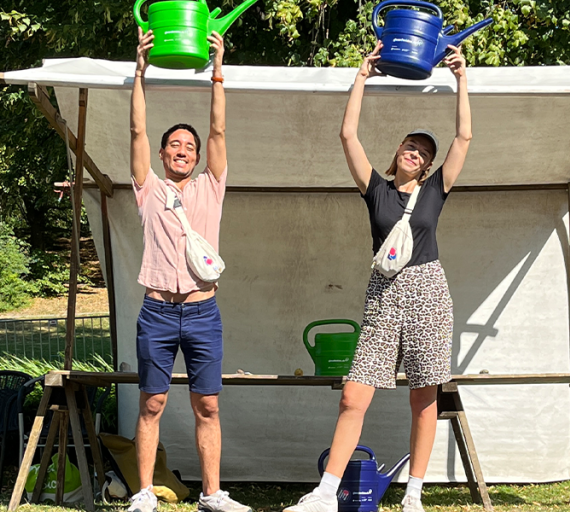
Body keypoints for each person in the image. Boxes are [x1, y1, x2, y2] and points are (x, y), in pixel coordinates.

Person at [285, 41, 473, 512]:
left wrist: (461, 79)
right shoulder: (376, 191)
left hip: (429, 289)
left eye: (424, 151)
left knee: (424, 396)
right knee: (354, 393)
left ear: (429, 165)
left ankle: (414, 493)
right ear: (398, 152)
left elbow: (464, 139)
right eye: (411, 145)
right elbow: (348, 136)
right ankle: (326, 492)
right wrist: (362, 77)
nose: (416, 152)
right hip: (383, 294)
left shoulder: (435, 191)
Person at [127, 26, 250, 512]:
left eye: (189, 148)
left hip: (203, 313)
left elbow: (218, 130)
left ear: (198, 158)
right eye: (174, 145)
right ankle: (142, 494)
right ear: (161, 154)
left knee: (209, 405)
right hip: (156, 312)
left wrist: (218, 70)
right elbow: (136, 129)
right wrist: (139, 71)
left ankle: (211, 495)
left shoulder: (209, 188)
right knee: (152, 403)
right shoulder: (148, 188)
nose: (182, 151)